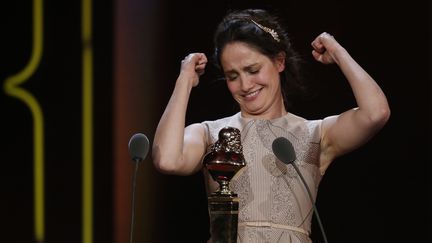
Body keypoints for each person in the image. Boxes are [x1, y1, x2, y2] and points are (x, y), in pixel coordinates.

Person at [152, 8, 390, 243]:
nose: (245, 84)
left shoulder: (315, 134)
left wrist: (338, 52)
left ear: (279, 61)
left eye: (253, 70)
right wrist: (184, 80)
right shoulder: (210, 134)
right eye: (232, 76)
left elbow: (376, 113)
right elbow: (167, 159)